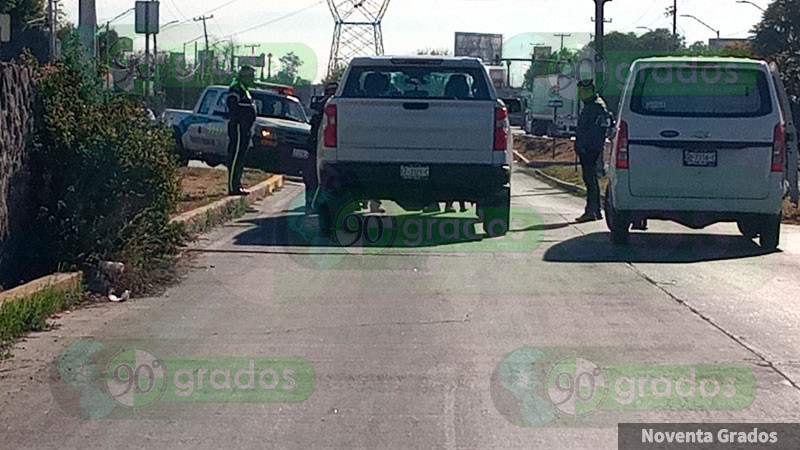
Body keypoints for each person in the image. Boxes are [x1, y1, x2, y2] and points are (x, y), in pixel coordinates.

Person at [574, 81, 611, 223]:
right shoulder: (594, 104)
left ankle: (591, 211)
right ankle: (595, 210)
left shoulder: (595, 106)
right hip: (590, 147)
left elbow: (594, 131)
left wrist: (584, 145)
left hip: (590, 148)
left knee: (590, 179)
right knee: (591, 178)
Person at [226, 65, 258, 196]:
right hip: (239, 127)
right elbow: (232, 104)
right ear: (244, 76)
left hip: (245, 128)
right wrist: (240, 119)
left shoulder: (245, 89)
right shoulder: (236, 88)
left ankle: (237, 184)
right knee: (235, 157)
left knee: (241, 156)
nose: (253, 79)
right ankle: (233, 187)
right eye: (251, 76)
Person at [307, 82, 338, 213]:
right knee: (312, 175)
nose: (330, 95)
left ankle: (313, 204)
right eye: (329, 91)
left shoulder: (334, 104)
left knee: (315, 176)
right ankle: (311, 204)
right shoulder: (326, 104)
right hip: (318, 145)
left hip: (327, 147)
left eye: (332, 92)